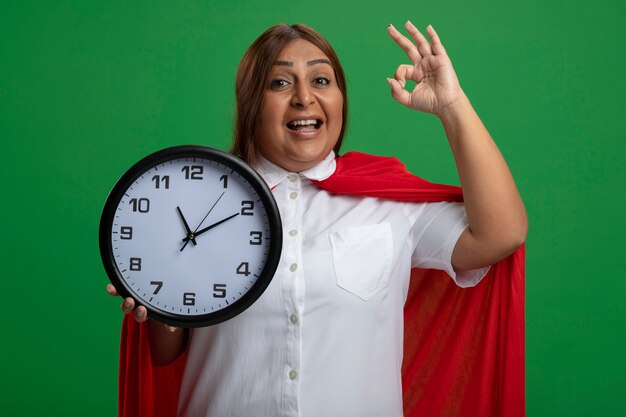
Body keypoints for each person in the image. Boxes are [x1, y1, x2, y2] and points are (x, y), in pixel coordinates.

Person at [107, 21, 527, 417]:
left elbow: (501, 235)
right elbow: (164, 352)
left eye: (321, 80)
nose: (304, 97)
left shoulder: (393, 205)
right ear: (251, 103)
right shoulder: (197, 203)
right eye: (280, 82)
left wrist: (452, 105)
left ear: (340, 99)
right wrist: (156, 295)